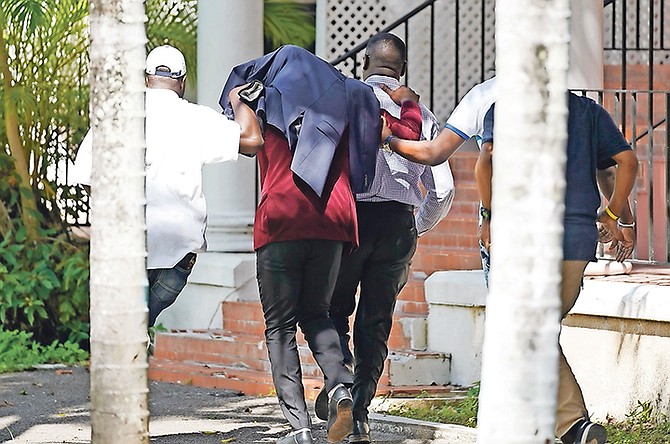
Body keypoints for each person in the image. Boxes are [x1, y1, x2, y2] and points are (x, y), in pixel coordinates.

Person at [219, 44, 424, 444]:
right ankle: (342, 388)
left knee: (279, 326)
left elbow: (248, 140)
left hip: (281, 222)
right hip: (333, 223)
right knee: (316, 314)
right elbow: (387, 139)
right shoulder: (346, 99)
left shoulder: (266, 100)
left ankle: (299, 428)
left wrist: (235, 97)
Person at [313, 33, 455, 444]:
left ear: (365, 66)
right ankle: (358, 415)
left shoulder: (341, 103)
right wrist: (416, 224)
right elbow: (442, 190)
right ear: (403, 71)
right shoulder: (422, 116)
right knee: (375, 322)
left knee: (331, 309)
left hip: (348, 220)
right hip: (396, 224)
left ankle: (337, 387)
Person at [475, 94, 638, 444]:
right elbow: (626, 161)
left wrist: (488, 217)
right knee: (539, 328)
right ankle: (551, 425)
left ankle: (572, 424)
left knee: (531, 329)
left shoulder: (506, 107)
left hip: (527, 236)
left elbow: (486, 161)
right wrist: (613, 214)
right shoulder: (588, 112)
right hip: (576, 239)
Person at [70, 45, 263, 330]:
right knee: (138, 325)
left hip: (125, 245)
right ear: (182, 82)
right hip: (177, 249)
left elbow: (87, 177)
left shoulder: (117, 115)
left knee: (123, 329)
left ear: (146, 78)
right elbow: (252, 142)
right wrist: (239, 100)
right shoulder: (197, 117)